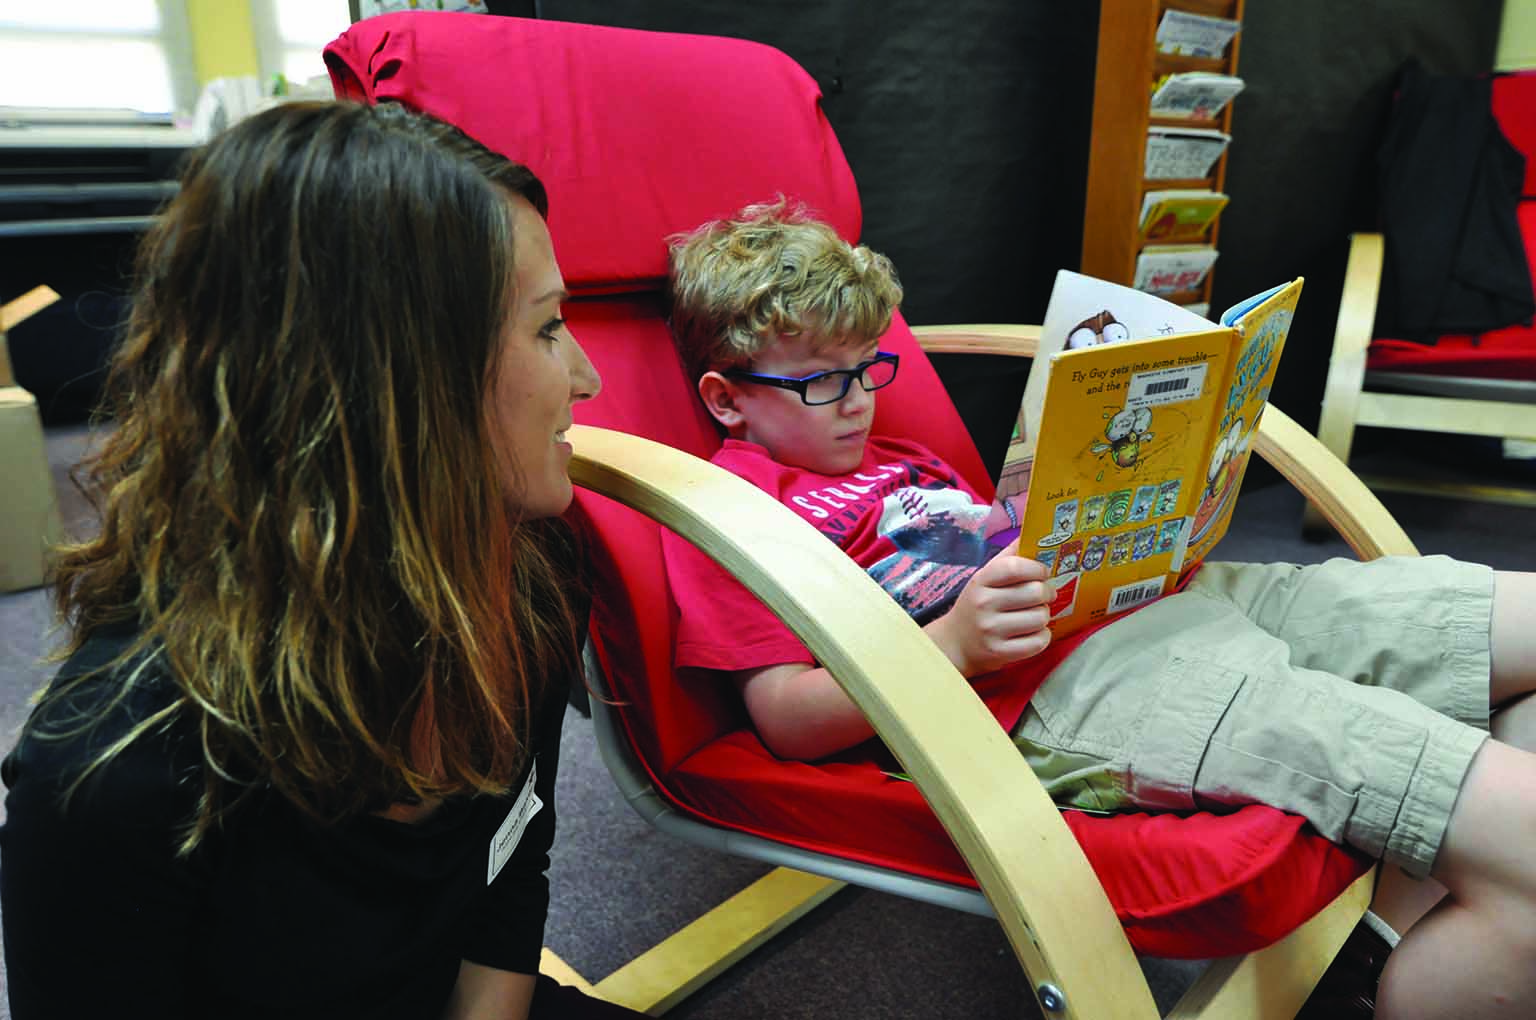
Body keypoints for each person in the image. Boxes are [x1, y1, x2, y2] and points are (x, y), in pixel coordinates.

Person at [660, 200, 1536, 1020]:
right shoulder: (733, 512)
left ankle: (1381, 938)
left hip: (1170, 600)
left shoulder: (901, 458)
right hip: (1077, 685)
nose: (856, 399)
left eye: (868, 368)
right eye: (821, 381)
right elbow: (783, 720)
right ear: (726, 398)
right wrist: (956, 645)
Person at [0, 100, 646, 1020]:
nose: (587, 376)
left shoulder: (530, 582)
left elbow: (509, 867)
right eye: (547, 328)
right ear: (401, 386)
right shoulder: (116, 774)